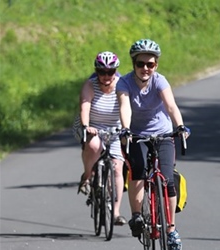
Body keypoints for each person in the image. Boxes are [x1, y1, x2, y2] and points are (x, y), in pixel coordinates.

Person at [116, 39, 190, 250]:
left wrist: (181, 126)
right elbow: (125, 107)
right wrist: (126, 129)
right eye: (141, 64)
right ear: (134, 64)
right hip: (137, 134)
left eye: (150, 64)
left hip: (163, 134)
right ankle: (137, 216)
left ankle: (171, 230)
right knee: (137, 171)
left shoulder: (160, 81)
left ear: (155, 65)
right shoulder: (124, 83)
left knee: (168, 180)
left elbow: (171, 105)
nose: (145, 68)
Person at [73, 51, 127, 226]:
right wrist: (87, 125)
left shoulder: (121, 85)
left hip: (115, 129)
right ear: (96, 71)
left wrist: (126, 128)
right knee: (94, 146)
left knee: (118, 168)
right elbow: (85, 107)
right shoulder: (90, 85)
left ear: (115, 71)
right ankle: (87, 176)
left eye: (110, 72)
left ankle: (116, 212)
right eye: (101, 72)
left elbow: (125, 107)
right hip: (93, 127)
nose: (105, 76)